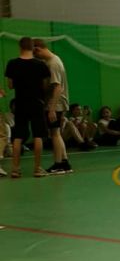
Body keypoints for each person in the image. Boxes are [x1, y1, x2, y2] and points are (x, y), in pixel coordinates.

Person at [4, 36, 52, 178]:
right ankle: (37, 169)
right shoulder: (41, 65)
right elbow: (45, 86)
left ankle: (15, 169)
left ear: (20, 47)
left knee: (18, 136)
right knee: (38, 135)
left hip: (20, 103)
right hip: (37, 103)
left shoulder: (12, 63)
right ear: (33, 48)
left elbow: (10, 85)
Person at [33, 39, 73, 175]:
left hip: (56, 104)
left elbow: (57, 87)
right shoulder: (55, 59)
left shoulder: (53, 63)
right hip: (58, 103)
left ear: (38, 49)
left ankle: (58, 164)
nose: (36, 57)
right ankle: (65, 162)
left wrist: (52, 109)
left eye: (35, 54)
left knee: (54, 134)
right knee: (57, 133)